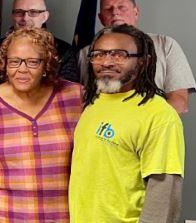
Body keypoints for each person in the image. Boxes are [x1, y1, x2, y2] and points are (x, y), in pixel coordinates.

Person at [0, 28, 83, 223]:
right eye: (14, 61)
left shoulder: (75, 97)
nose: (22, 69)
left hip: (63, 217)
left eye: (32, 62)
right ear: (4, 64)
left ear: (46, 64)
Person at [70, 24, 184, 223]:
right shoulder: (93, 103)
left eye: (119, 55)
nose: (106, 62)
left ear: (143, 62)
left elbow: (164, 195)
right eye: (98, 54)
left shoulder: (158, 115)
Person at [78, 0, 195, 113]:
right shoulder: (85, 53)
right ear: (101, 18)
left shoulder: (165, 45)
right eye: (108, 9)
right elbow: (81, 98)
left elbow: (179, 101)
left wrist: (141, 123)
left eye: (121, 7)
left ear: (136, 12)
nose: (115, 12)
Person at [0, 0, 79, 82]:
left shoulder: (64, 51)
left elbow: (68, 92)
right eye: (19, 12)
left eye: (33, 12)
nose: (25, 18)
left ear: (45, 17)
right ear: (13, 16)